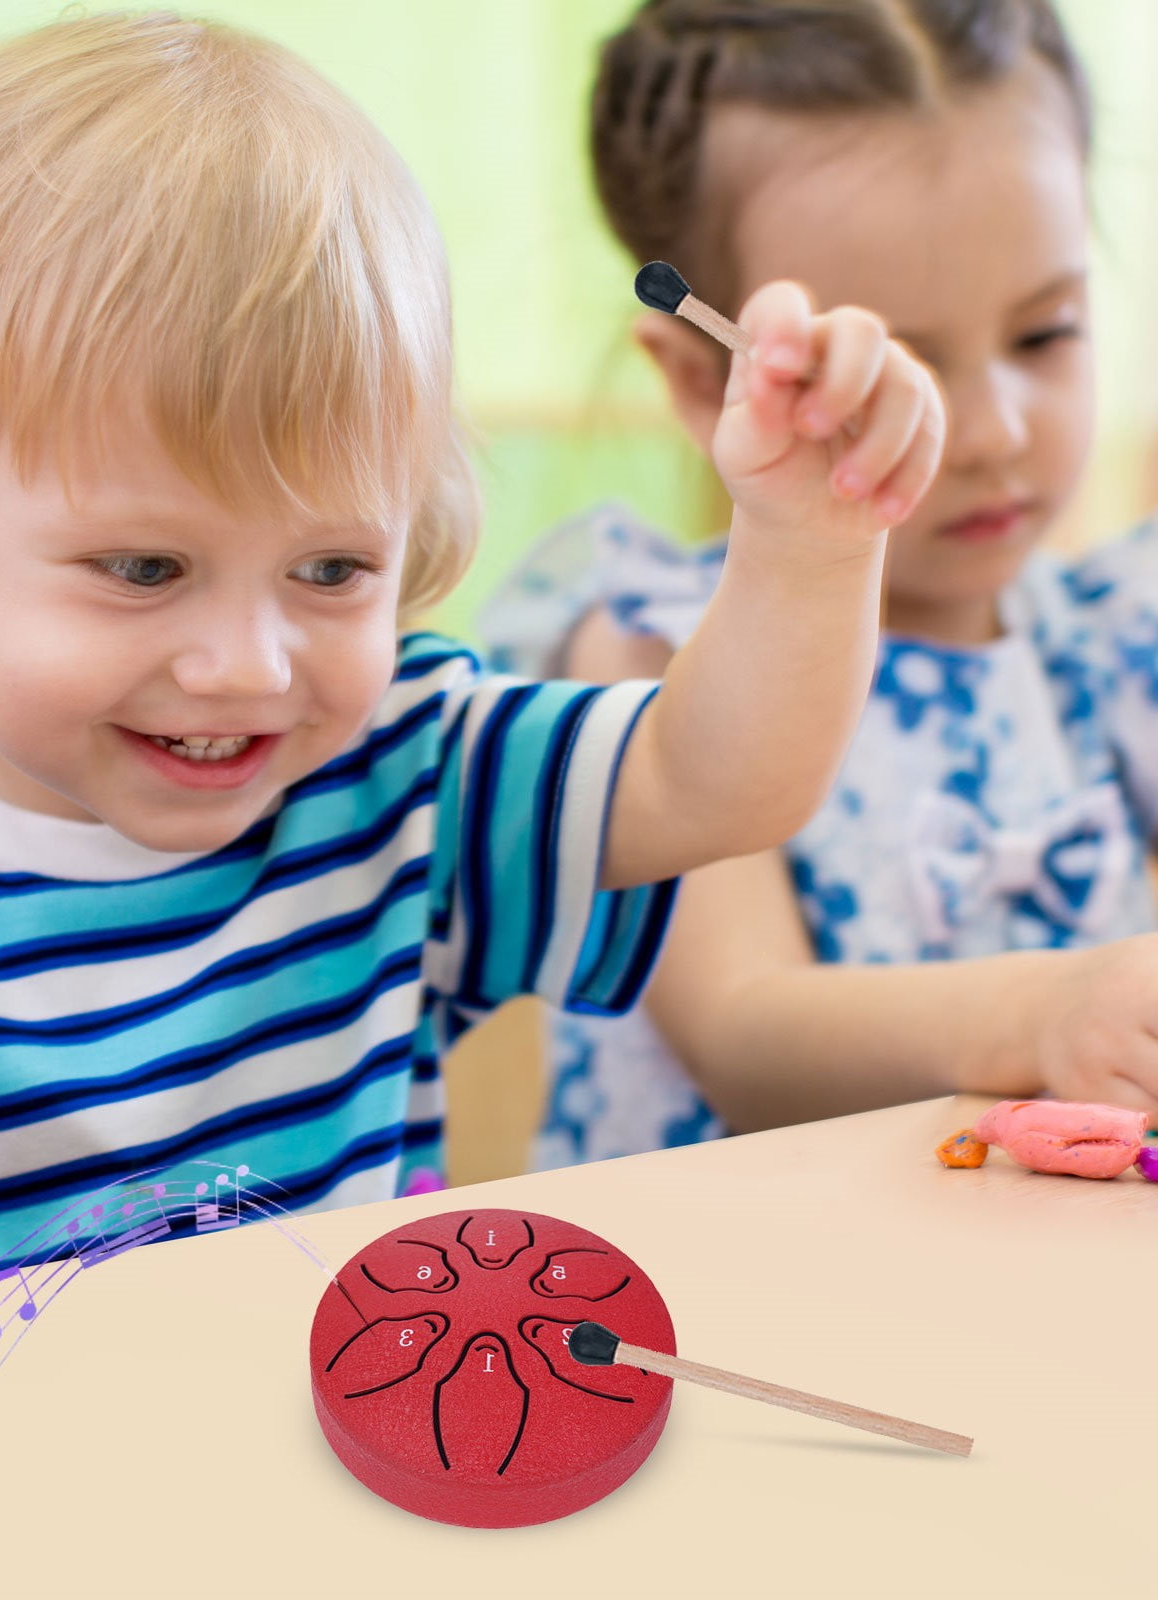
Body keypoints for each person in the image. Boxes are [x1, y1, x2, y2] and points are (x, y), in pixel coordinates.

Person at [0, 11, 939, 1342]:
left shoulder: (400, 770)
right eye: (145, 569)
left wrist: (811, 542)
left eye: (332, 570)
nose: (246, 668)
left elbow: (724, 781)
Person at [480, 0, 1158, 1170]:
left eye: (1044, 334)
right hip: (726, 1309)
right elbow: (745, 1031)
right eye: (899, 368)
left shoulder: (1113, 635)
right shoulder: (649, 649)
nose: (992, 429)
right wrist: (1044, 1012)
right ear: (703, 380)